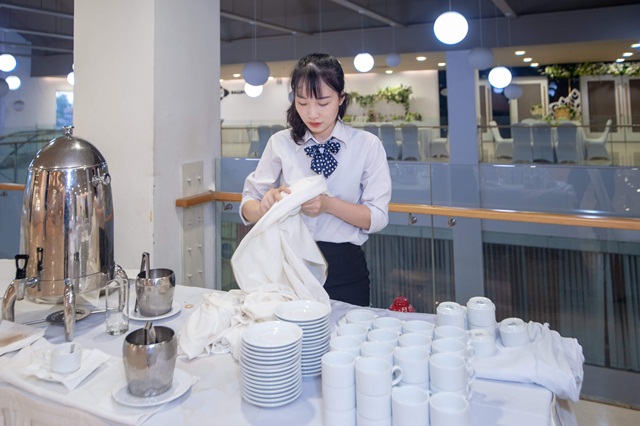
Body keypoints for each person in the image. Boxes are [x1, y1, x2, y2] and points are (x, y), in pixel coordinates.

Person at [240, 53, 391, 307]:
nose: (312, 113)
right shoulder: (280, 143)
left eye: (323, 102)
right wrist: (265, 207)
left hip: (344, 269)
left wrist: (328, 205)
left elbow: (377, 217)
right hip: (288, 266)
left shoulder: (367, 145)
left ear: (341, 98)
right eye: (302, 102)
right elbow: (248, 205)